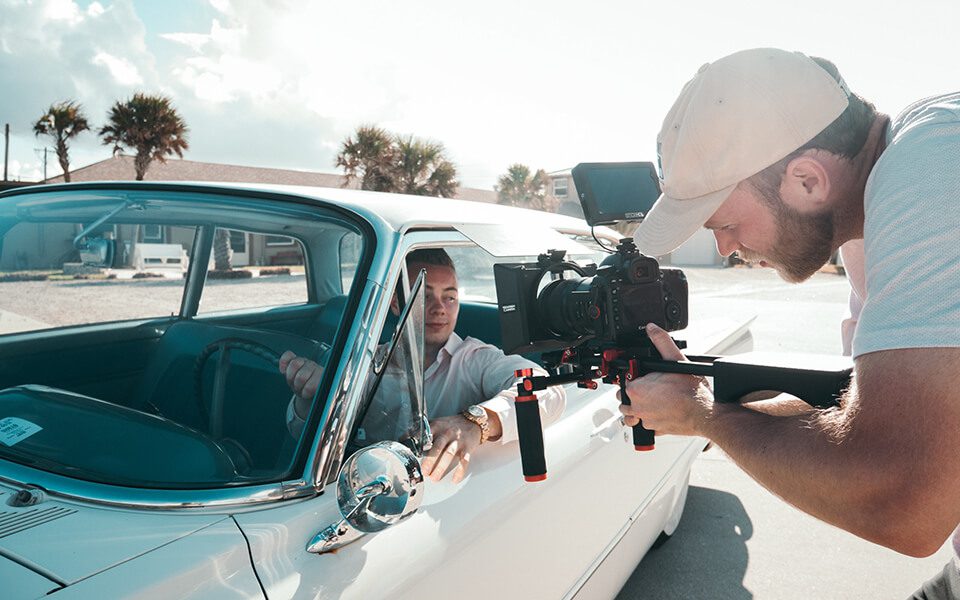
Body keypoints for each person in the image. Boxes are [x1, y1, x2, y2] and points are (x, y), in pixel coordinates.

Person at [624, 48, 960, 598]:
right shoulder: (869, 222)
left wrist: (710, 418)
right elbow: (868, 407)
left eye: (726, 223)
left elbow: (906, 502)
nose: (725, 247)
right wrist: (702, 407)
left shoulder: (932, 163)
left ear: (807, 181)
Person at [281, 248, 566, 484]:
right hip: (363, 489)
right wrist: (311, 398)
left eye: (450, 297)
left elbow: (545, 390)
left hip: (441, 495)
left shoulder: (476, 358)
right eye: (425, 296)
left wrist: (475, 422)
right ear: (395, 304)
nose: (440, 308)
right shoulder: (364, 362)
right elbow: (300, 432)